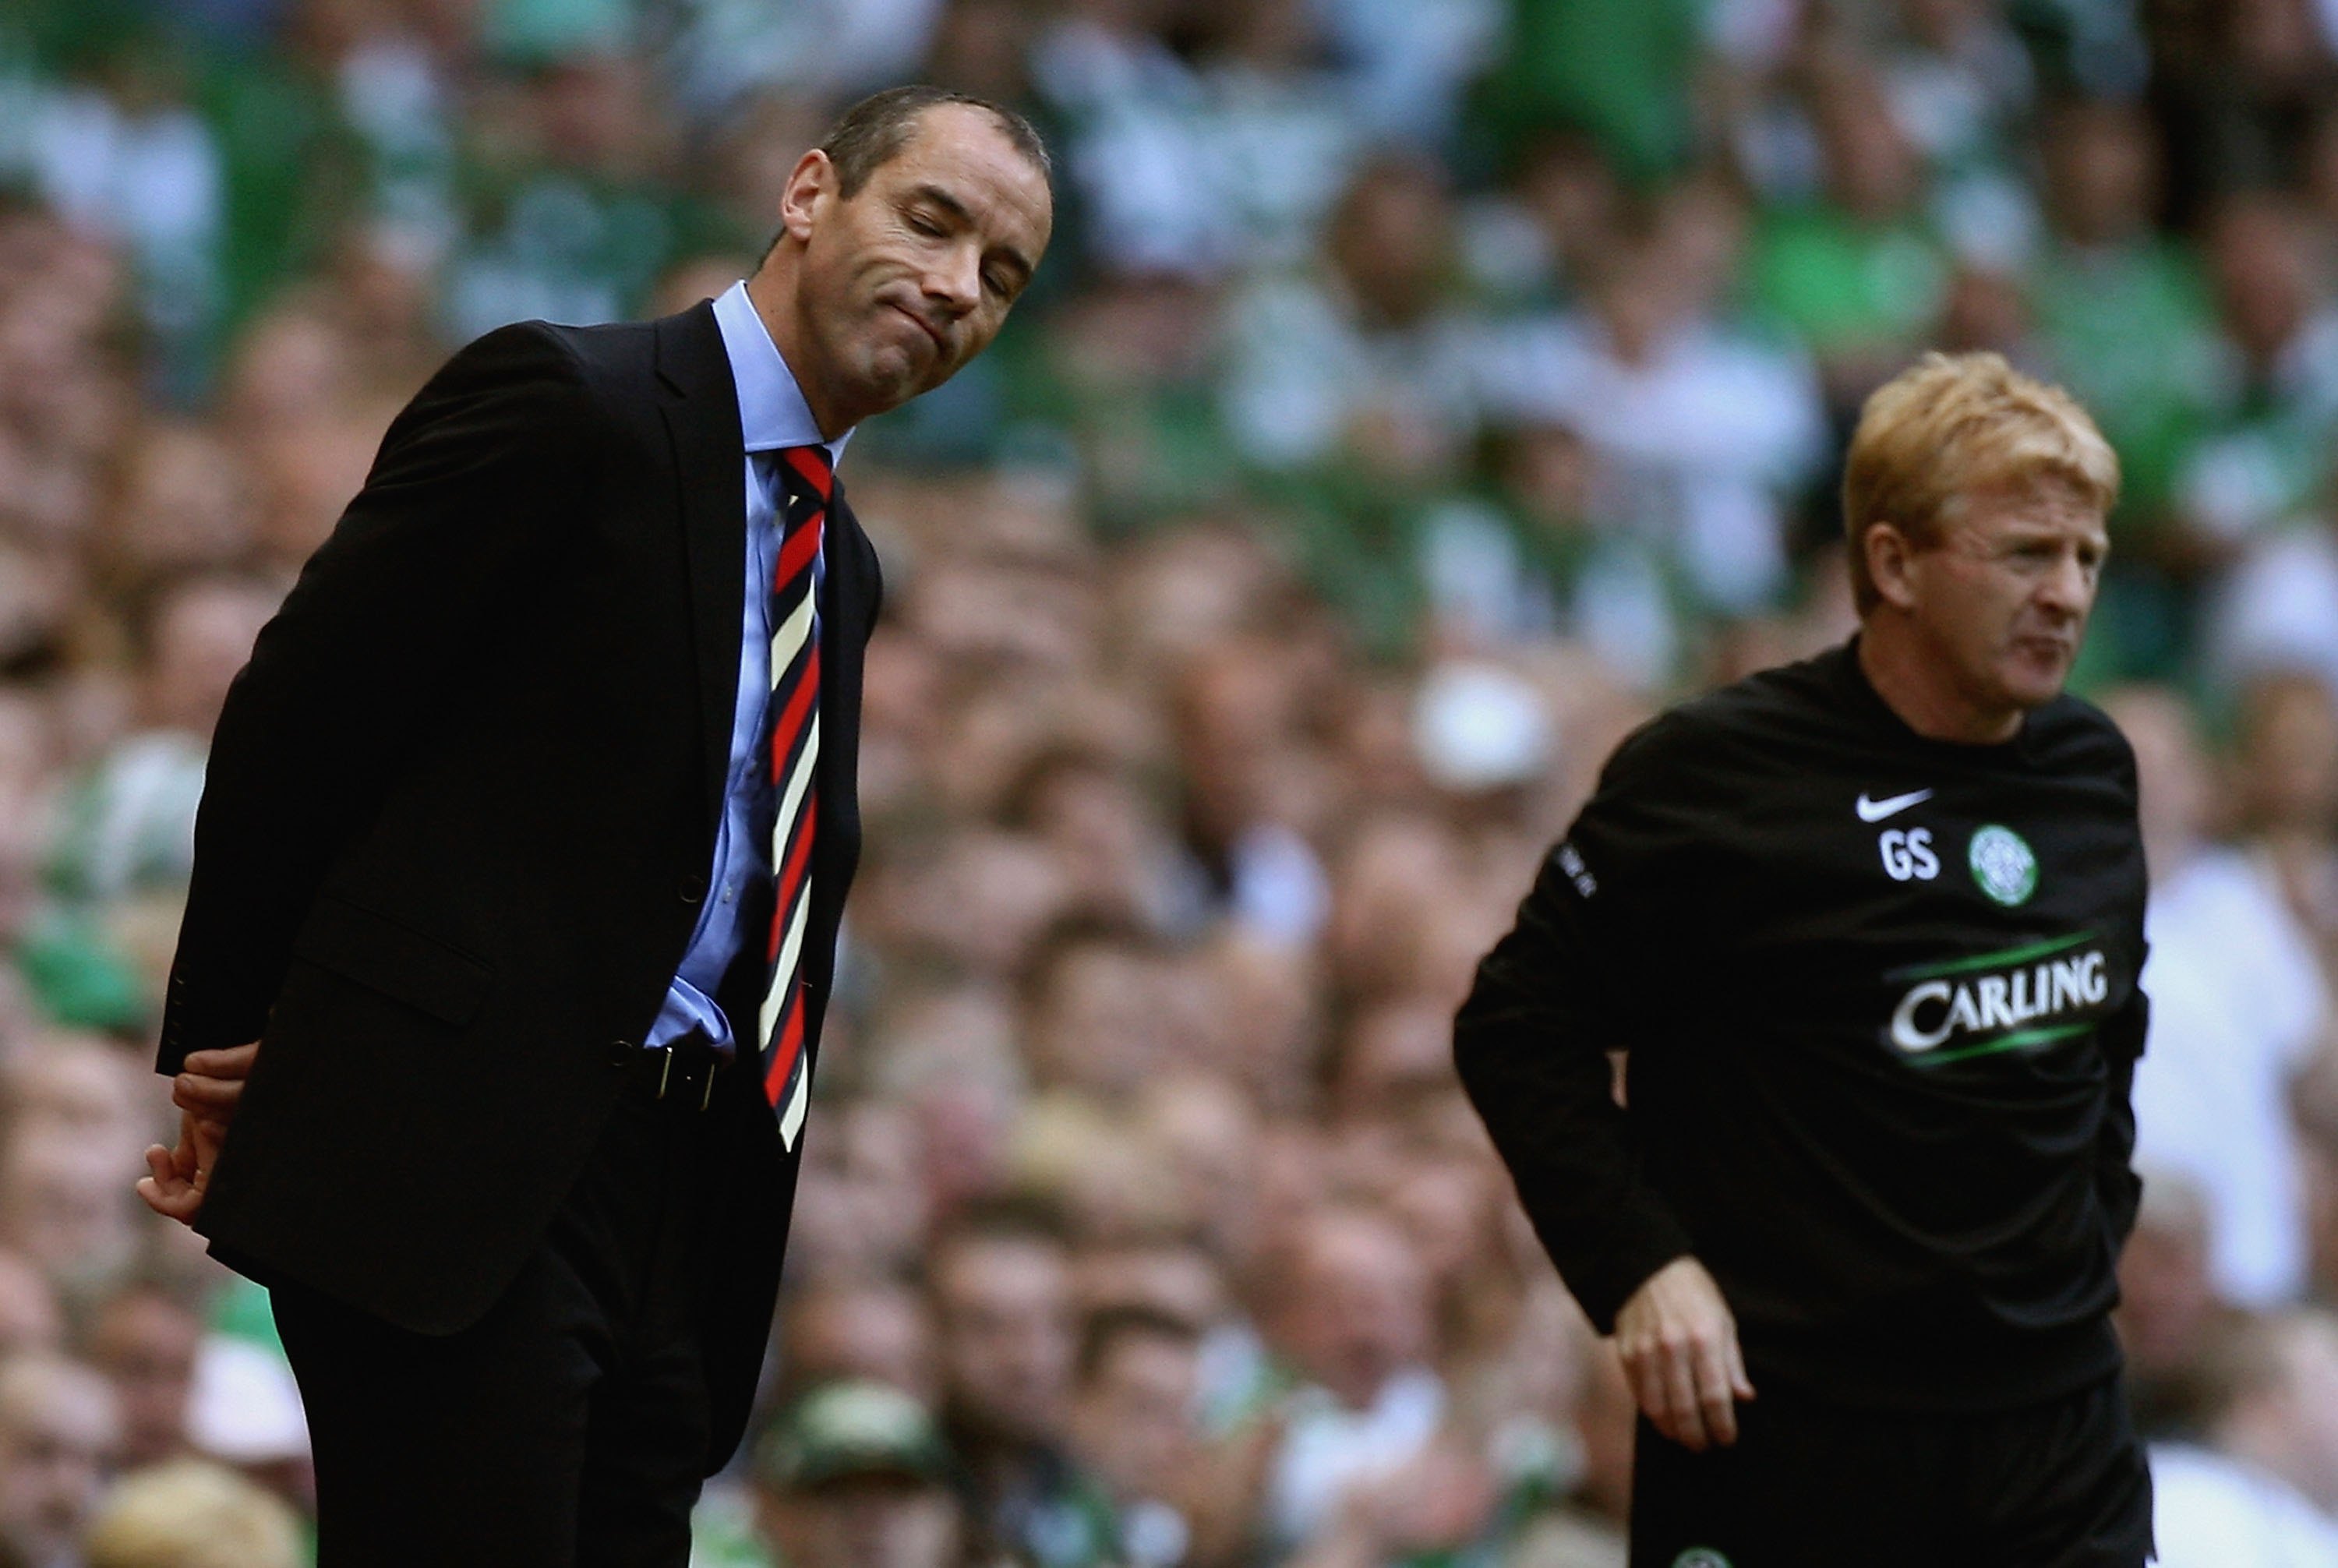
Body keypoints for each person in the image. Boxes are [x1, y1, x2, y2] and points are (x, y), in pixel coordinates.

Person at [132, 85, 1053, 1565]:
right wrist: (236, 1048)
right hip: (466, 1166)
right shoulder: (571, 403)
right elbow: (302, 711)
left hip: (684, 1211)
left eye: (1001, 276)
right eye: (932, 222)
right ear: (811, 194)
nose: (957, 287)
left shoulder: (849, 568)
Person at [1456, 351, 2153, 1566]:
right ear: (1893, 564)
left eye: (2087, 557)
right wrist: (1641, 1268)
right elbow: (1519, 1026)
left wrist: (2085, 1256)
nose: (2067, 594)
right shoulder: (1717, 780)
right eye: (2027, 554)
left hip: (2054, 1439)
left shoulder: (2092, 772)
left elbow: (2109, 1039)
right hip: (1791, 1445)